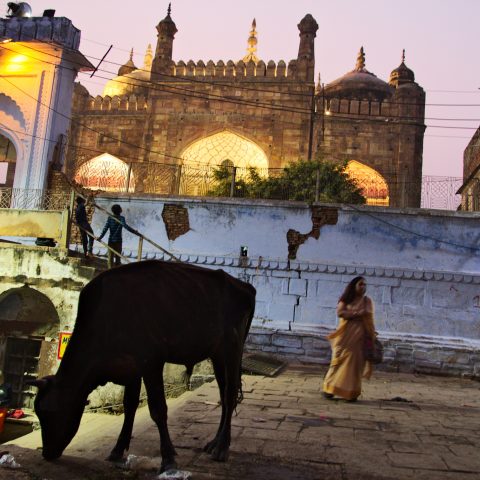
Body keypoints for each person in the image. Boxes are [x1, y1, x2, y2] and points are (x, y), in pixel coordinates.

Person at [322, 276, 377, 402]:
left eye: (364, 285)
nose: (363, 287)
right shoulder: (346, 298)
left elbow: (367, 313)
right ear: (354, 286)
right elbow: (340, 313)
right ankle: (329, 388)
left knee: (356, 364)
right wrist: (357, 313)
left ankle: (351, 393)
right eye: (360, 284)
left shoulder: (367, 301)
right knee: (338, 360)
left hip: (361, 335)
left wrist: (352, 314)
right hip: (345, 335)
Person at [98, 204, 138, 268]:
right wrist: (134, 232)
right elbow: (126, 226)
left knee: (110, 258)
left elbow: (105, 228)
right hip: (118, 241)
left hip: (111, 240)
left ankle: (110, 272)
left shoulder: (110, 218)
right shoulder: (121, 218)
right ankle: (116, 273)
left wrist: (100, 237)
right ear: (120, 210)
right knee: (118, 258)